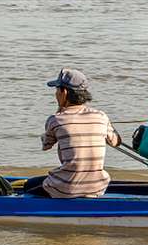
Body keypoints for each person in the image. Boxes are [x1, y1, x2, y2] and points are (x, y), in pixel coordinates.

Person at [30, 67, 119, 199]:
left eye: (56, 90)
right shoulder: (101, 116)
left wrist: (59, 110)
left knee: (28, 186)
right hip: (97, 187)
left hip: (66, 188)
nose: (55, 94)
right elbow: (116, 142)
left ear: (64, 93)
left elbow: (46, 146)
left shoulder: (55, 119)